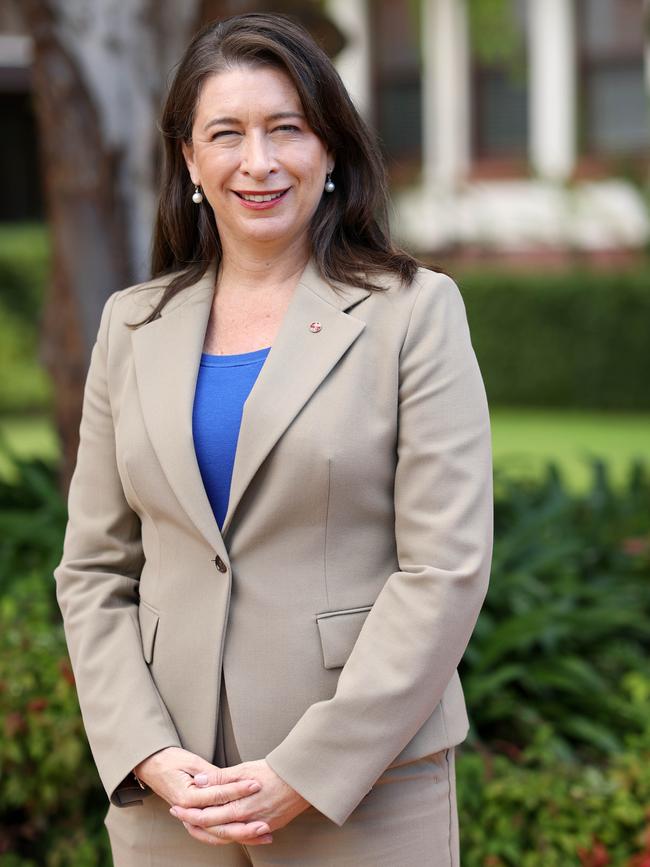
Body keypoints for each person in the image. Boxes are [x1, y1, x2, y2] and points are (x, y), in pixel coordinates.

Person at [54, 12, 493, 866]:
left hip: (360, 791)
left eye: (285, 128)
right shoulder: (130, 325)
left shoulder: (414, 313)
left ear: (329, 148)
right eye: (227, 134)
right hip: (172, 803)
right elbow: (94, 570)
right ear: (189, 159)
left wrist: (307, 769)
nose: (258, 161)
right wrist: (145, 751)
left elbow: (444, 567)